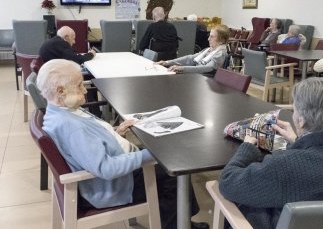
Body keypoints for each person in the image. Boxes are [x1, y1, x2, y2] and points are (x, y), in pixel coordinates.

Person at [37, 59, 209, 229]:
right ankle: (179, 225)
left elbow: (89, 143)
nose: (84, 89)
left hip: (116, 167)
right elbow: (105, 168)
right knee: (173, 172)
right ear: (60, 90)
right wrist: (153, 153)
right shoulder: (71, 127)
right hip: (112, 186)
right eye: (79, 85)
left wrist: (114, 132)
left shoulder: (60, 112)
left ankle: (181, 221)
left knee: (164, 161)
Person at [219, 77, 323, 229]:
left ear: (301, 120)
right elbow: (321, 168)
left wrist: (247, 146)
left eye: (295, 110)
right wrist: (298, 141)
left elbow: (227, 182)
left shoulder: (284, 165)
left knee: (245, 204)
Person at [156, 24, 229, 74]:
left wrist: (182, 68)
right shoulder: (209, 50)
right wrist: (168, 62)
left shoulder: (220, 53)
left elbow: (208, 68)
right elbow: (190, 58)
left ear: (222, 40)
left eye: (212, 37)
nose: (208, 39)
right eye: (209, 36)